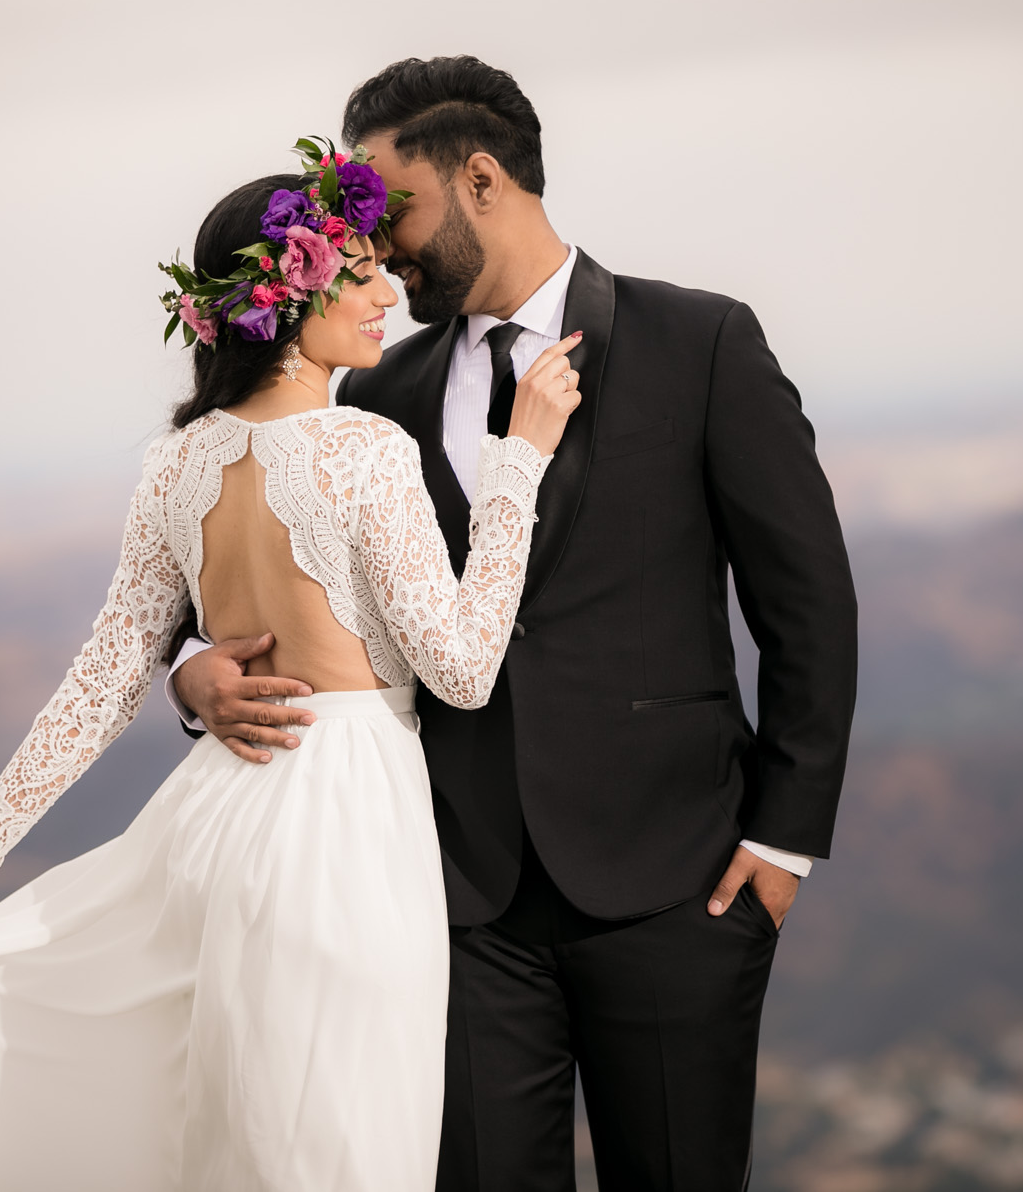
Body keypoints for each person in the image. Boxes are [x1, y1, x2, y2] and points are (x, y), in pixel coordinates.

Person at [171, 58, 857, 1190]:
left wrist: (782, 843)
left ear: (481, 178)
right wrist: (194, 672)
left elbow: (807, 603)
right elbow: (233, 563)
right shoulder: (374, 396)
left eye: (393, 212)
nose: (376, 249)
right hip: (447, 897)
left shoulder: (701, 344)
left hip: (677, 887)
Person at [0, 143, 583, 1192]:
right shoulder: (361, 450)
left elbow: (96, 687)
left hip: (212, 834)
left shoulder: (175, 462)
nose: (385, 293)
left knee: (239, 1146)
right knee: (347, 1150)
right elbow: (462, 671)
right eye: (358, 271)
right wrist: (521, 459)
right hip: (345, 843)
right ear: (288, 295)